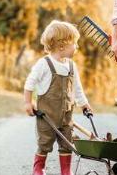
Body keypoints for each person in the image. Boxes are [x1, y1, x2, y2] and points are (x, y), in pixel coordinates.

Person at [24, 20, 93, 175]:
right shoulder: (44, 64)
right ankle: (38, 168)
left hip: (66, 117)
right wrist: (28, 102)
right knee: (45, 142)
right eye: (74, 43)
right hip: (46, 116)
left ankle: (66, 171)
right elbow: (30, 82)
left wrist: (84, 104)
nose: (77, 46)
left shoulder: (71, 66)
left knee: (67, 143)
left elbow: (77, 88)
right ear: (62, 46)